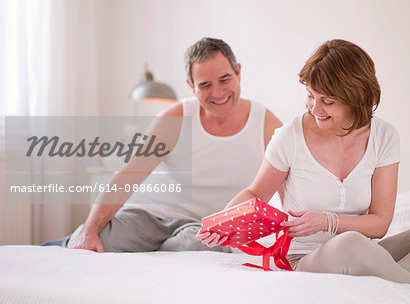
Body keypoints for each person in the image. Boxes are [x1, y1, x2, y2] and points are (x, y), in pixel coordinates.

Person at [197, 39, 410, 283]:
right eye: (310, 96)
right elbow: (256, 192)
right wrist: (221, 222)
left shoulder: (383, 136)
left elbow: (380, 223)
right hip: (306, 257)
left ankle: (395, 272)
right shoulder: (289, 137)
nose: (314, 108)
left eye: (327, 101)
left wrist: (326, 221)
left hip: (367, 251)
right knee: (350, 243)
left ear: (356, 98)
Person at [60, 37, 283, 252]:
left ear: (238, 72)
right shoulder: (175, 119)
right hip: (151, 217)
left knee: (192, 247)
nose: (217, 92)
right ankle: (60, 244)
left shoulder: (266, 125)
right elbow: (127, 175)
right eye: (205, 85)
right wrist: (89, 231)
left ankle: (158, 252)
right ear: (191, 86)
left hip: (205, 228)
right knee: (95, 239)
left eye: (224, 79)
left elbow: (291, 188)